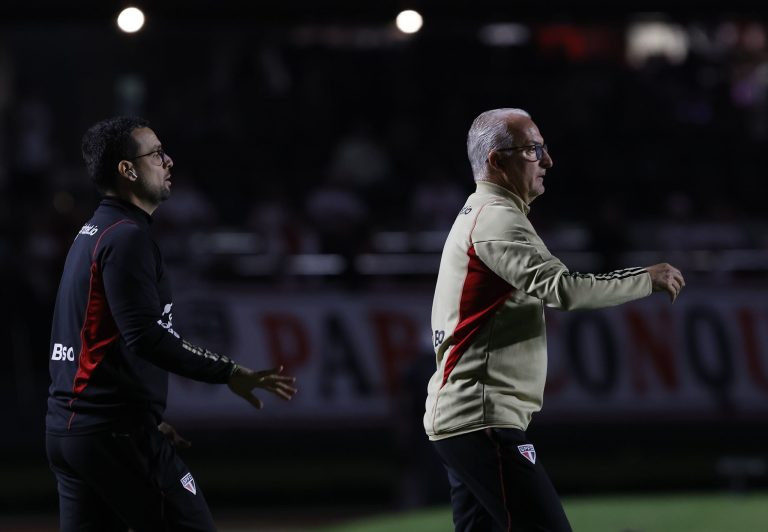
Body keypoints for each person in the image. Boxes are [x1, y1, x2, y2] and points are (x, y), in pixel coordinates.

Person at [423, 108, 685, 532]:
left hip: (469, 418)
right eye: (533, 150)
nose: (548, 161)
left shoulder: (483, 211)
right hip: (482, 417)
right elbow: (563, 289)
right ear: (497, 160)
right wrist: (644, 279)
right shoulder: (497, 217)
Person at [46, 116, 298, 531]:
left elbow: (87, 341)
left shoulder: (94, 231)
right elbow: (145, 336)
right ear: (127, 170)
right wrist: (228, 372)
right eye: (156, 153)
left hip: (74, 431)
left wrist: (143, 413)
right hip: (113, 435)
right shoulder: (126, 238)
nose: (169, 161)